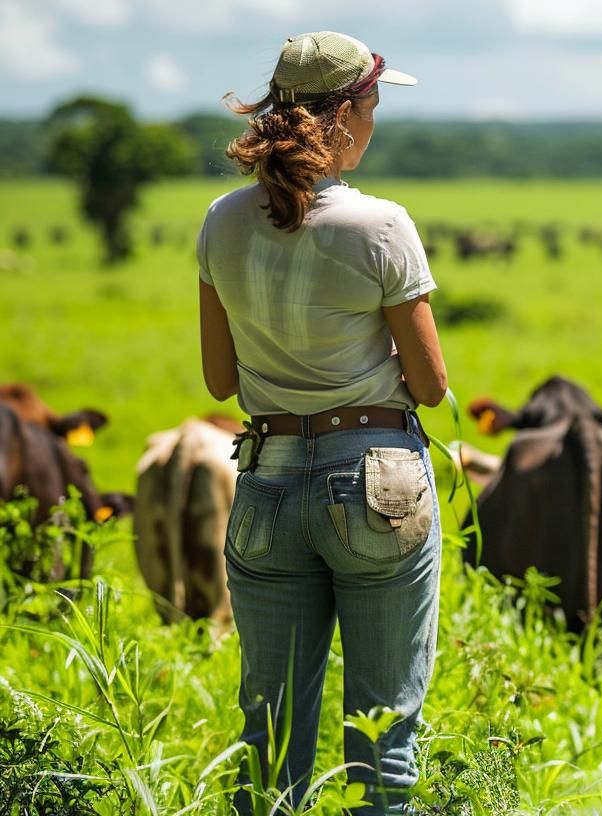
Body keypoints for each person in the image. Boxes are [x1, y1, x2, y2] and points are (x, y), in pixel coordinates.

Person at [197, 31, 447, 815]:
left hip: (266, 480)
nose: (375, 124)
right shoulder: (381, 225)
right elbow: (433, 388)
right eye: (372, 107)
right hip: (377, 481)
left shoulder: (221, 221)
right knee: (384, 735)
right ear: (343, 116)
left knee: (269, 739)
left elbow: (218, 378)